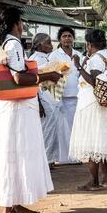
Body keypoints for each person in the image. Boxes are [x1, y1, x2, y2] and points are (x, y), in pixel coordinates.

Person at [0, 6, 61, 213]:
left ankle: (14, 203)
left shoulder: (4, 44)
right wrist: (48, 76)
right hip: (17, 110)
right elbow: (19, 78)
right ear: (16, 23)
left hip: (12, 108)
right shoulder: (14, 43)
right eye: (21, 21)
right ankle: (8, 210)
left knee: (15, 152)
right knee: (16, 153)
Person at [69, 29, 107, 191]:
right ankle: (105, 179)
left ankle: (94, 181)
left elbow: (95, 81)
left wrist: (78, 67)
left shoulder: (96, 59)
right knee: (101, 141)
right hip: (104, 105)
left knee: (92, 142)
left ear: (89, 44)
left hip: (92, 104)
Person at [29, 33, 71, 168]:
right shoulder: (34, 59)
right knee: (46, 130)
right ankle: (46, 161)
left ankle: (50, 160)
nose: (50, 45)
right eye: (48, 43)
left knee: (51, 129)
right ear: (40, 45)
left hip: (50, 99)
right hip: (42, 99)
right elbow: (33, 83)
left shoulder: (46, 58)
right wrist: (39, 103)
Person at [48, 26, 83, 164]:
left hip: (77, 96)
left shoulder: (78, 54)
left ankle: (75, 156)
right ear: (60, 39)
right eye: (64, 36)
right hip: (61, 96)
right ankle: (65, 158)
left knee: (75, 127)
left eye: (69, 36)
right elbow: (50, 76)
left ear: (73, 38)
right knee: (63, 128)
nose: (67, 38)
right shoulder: (54, 55)